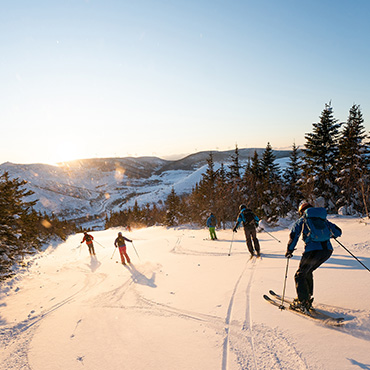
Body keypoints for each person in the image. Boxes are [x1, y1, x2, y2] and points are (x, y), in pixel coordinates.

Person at [285, 202, 342, 312]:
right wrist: (329, 234)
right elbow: (338, 232)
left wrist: (289, 250)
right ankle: (307, 297)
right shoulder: (323, 220)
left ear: (302, 211)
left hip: (312, 251)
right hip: (327, 251)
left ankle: (303, 302)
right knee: (307, 272)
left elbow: (294, 236)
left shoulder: (302, 221)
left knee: (300, 275)